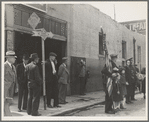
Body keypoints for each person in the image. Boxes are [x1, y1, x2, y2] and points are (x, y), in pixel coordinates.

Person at [4, 51, 17, 116]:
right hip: (5, 89)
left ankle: (7, 113)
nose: (15, 59)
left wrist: (16, 87)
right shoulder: (4, 66)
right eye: (13, 58)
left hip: (11, 88)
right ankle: (6, 114)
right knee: (4, 102)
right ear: (8, 58)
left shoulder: (13, 67)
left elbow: (15, 78)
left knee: (8, 102)